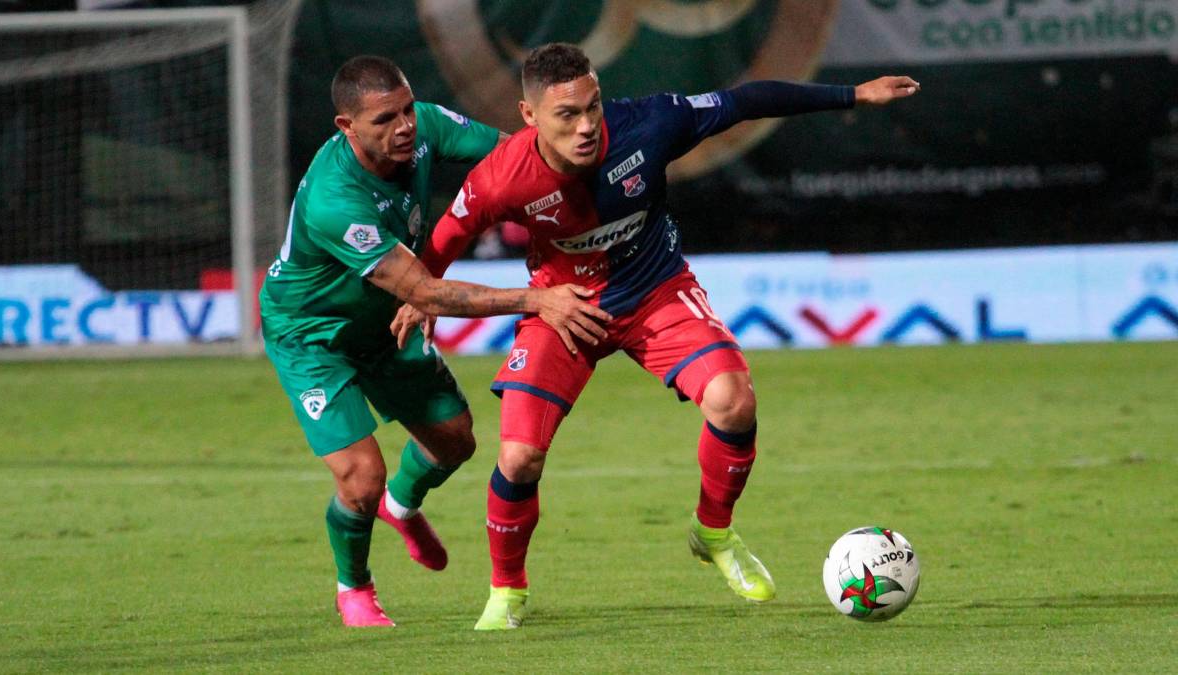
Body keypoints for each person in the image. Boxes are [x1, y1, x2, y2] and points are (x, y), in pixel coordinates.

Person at [414, 43, 919, 629]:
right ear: (529, 116)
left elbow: (745, 101)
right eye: (566, 115)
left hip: (654, 290)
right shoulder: (502, 176)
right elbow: (446, 238)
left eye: (592, 107)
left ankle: (714, 532)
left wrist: (853, 94)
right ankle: (507, 589)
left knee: (733, 400)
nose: (586, 126)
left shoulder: (650, 124)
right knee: (519, 456)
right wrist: (418, 296)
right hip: (562, 308)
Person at [258, 55, 611, 628]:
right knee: (361, 478)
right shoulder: (334, 200)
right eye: (384, 120)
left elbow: (519, 155)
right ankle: (355, 588)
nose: (404, 127)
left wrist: (580, 171)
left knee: (455, 441)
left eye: (406, 110)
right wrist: (538, 299)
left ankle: (401, 505)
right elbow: (423, 291)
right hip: (313, 335)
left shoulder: (424, 125)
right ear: (346, 127)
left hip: (383, 320)